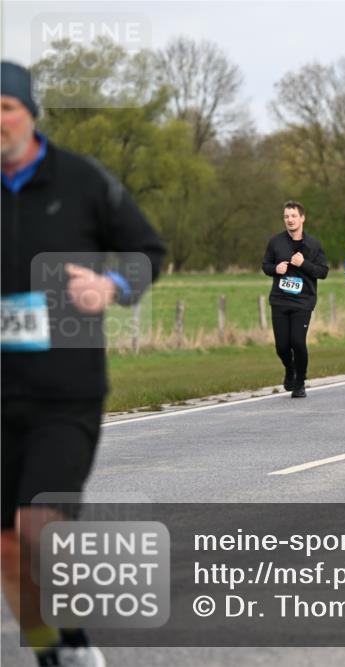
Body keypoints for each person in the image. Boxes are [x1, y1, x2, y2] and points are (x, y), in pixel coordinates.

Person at [2, 61, 166, 667]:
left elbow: (149, 250)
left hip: (63, 392)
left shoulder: (81, 180)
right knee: (8, 548)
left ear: (30, 113)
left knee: (38, 522)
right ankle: (54, 648)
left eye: (6, 108)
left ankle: (69, 646)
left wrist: (112, 284)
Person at [262, 200, 329, 398]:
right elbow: (265, 265)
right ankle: (290, 369)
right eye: (286, 216)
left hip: (303, 301)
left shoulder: (313, 245)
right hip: (280, 300)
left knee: (297, 342)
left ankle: (300, 382)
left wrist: (303, 263)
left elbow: (323, 272)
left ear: (302, 218)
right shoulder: (276, 242)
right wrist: (275, 269)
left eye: (293, 216)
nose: (290, 220)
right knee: (282, 346)